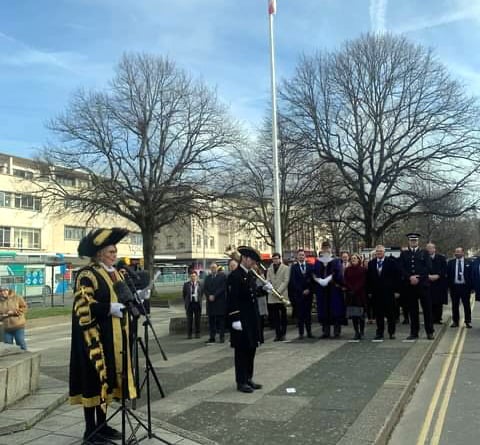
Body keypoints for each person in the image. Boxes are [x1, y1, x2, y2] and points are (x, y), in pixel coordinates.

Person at [69, 227, 136, 444]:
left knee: (106, 382)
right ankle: (90, 432)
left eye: (115, 251)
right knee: (93, 382)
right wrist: (108, 308)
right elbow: (83, 306)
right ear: (99, 254)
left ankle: (102, 425)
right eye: (111, 252)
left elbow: (123, 296)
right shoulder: (87, 274)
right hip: (93, 340)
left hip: (112, 337)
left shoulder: (114, 273)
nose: (115, 255)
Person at [227, 246, 265, 393]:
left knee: (251, 349)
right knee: (241, 352)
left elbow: (252, 294)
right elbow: (232, 299)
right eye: (253, 261)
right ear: (246, 259)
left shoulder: (249, 275)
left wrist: (263, 290)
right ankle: (241, 381)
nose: (254, 264)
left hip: (251, 319)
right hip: (241, 320)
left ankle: (248, 378)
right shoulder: (235, 276)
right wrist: (235, 318)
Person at [399, 233, 434, 340]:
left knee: (427, 309)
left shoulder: (424, 253)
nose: (413, 242)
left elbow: (428, 267)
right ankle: (414, 332)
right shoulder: (404, 254)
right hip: (410, 286)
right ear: (409, 242)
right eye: (411, 241)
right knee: (413, 310)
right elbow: (401, 268)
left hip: (423, 285)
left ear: (418, 242)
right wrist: (410, 277)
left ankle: (430, 332)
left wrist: (418, 277)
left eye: (415, 241)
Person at [312, 241, 345, 338]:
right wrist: (318, 280)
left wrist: (329, 279)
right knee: (324, 310)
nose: (326, 250)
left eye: (327, 248)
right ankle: (325, 331)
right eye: (324, 248)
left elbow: (338, 273)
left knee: (335, 310)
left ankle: (336, 331)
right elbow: (314, 272)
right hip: (322, 290)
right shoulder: (318, 261)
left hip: (333, 289)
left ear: (331, 249)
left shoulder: (336, 260)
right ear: (322, 249)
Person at [367, 245, 399, 340]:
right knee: (378, 314)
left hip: (389, 292)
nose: (379, 253)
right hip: (376, 293)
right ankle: (379, 332)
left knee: (390, 314)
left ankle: (391, 332)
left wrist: (396, 291)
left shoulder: (391, 262)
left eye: (381, 251)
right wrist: (369, 291)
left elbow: (396, 277)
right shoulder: (371, 263)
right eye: (377, 251)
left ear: (384, 252)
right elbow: (369, 279)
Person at [289, 249, 314, 339]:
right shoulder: (294, 267)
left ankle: (309, 332)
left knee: (308, 314)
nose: (301, 257)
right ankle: (301, 333)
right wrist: (301, 291)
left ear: (305, 256)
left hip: (308, 294)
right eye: (300, 255)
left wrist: (309, 289)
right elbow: (293, 281)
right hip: (299, 295)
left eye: (303, 255)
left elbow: (313, 280)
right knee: (300, 315)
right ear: (297, 256)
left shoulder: (310, 266)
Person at [266, 253, 290, 341]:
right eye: (273, 259)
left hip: (282, 295)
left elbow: (286, 281)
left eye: (276, 258)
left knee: (283, 316)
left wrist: (278, 291)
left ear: (280, 259)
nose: (275, 260)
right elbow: (267, 280)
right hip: (272, 295)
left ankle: (283, 333)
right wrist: (270, 289)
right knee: (275, 317)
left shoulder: (286, 268)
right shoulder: (269, 269)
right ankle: (277, 334)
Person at [447, 247, 473, 328]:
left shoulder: (469, 262)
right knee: (455, 305)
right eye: (456, 252)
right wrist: (448, 286)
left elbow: (471, 275)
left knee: (466, 305)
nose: (457, 253)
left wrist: (471, 287)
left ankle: (468, 321)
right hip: (454, 287)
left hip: (465, 287)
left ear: (462, 253)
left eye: (458, 252)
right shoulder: (451, 262)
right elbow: (448, 275)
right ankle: (455, 321)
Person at [344, 254, 367, 340]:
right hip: (351, 295)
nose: (353, 259)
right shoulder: (347, 270)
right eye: (352, 258)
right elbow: (345, 280)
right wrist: (350, 289)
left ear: (358, 259)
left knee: (360, 315)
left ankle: (362, 331)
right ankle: (356, 332)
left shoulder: (363, 270)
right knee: (354, 315)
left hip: (360, 295)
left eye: (355, 258)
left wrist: (355, 289)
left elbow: (363, 281)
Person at [203, 263, 227, 344]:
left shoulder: (222, 276)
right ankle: (212, 337)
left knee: (221, 321)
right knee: (211, 321)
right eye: (211, 267)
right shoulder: (207, 278)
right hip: (211, 303)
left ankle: (222, 337)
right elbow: (205, 288)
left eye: (214, 267)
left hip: (219, 302)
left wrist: (214, 295)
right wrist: (209, 295)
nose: (213, 269)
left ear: (217, 268)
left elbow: (222, 288)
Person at [426, 243, 448, 324]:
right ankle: (430, 319)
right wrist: (428, 276)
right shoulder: (423, 258)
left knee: (438, 303)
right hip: (428, 283)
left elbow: (444, 269)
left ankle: (438, 319)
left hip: (439, 283)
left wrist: (438, 275)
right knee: (429, 302)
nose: (429, 250)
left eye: (431, 248)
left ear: (434, 249)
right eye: (427, 248)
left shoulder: (441, 258)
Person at [183, 271, 203, 339]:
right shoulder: (186, 284)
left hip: (197, 304)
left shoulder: (200, 284)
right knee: (189, 320)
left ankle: (197, 333)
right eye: (191, 276)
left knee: (198, 320)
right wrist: (186, 302)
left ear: (196, 277)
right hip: (190, 304)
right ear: (190, 277)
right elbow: (184, 294)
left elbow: (201, 294)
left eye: (194, 276)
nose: (193, 278)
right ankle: (189, 334)